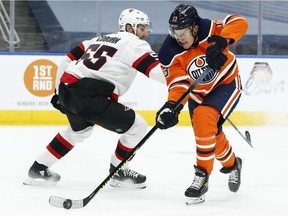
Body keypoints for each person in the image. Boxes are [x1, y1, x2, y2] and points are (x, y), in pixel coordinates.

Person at [23, 8, 165, 189]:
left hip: (68, 89)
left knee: (78, 132)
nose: (146, 33)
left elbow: (67, 60)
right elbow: (158, 73)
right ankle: (119, 172)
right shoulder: (134, 44)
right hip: (89, 95)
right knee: (138, 127)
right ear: (129, 27)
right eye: (142, 28)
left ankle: (38, 169)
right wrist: (185, 80)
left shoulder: (96, 39)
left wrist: (58, 92)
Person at [156, 4, 248, 204]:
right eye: (175, 32)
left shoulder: (209, 28)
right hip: (198, 95)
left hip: (226, 83)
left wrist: (223, 40)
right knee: (209, 134)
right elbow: (178, 83)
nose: (179, 37)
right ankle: (233, 164)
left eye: (183, 31)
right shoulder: (168, 52)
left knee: (204, 117)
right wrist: (172, 105)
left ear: (195, 28)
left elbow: (240, 22)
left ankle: (202, 177)